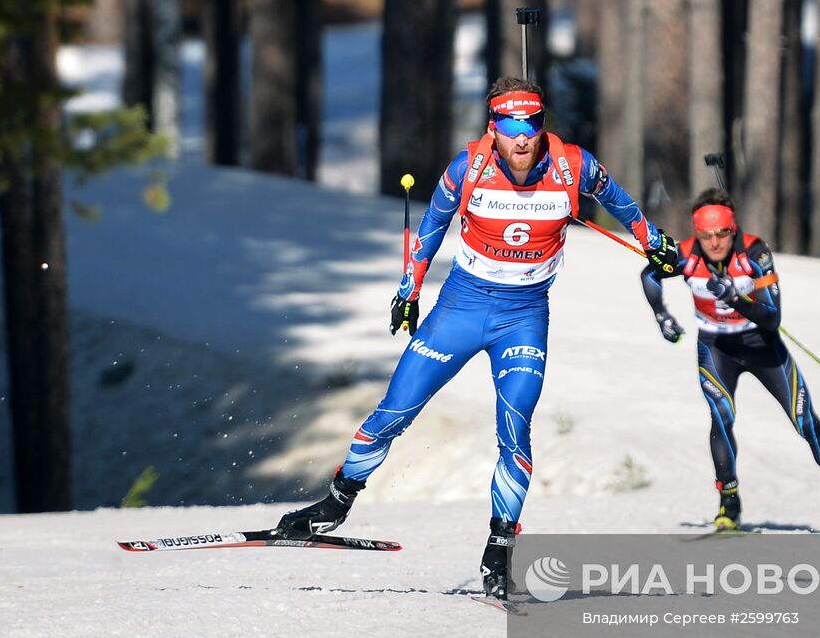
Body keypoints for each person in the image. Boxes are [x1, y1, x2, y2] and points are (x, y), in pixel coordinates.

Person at [276, 77, 680, 597]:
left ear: (542, 125)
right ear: (493, 128)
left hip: (524, 316)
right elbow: (431, 227)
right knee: (395, 412)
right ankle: (334, 503)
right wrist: (409, 290)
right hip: (461, 310)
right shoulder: (469, 167)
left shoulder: (572, 166)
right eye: (510, 128)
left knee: (515, 429)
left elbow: (622, 205)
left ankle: (500, 549)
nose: (521, 139)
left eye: (531, 126)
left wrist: (655, 242)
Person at [639, 188, 820, 536]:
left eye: (721, 233)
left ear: (733, 228)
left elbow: (772, 318)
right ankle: (729, 505)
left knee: (806, 423)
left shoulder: (755, 252)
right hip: (716, 348)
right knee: (721, 418)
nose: (713, 242)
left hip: (762, 347)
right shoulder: (684, 255)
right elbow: (649, 274)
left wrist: (736, 298)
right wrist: (661, 315)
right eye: (705, 235)